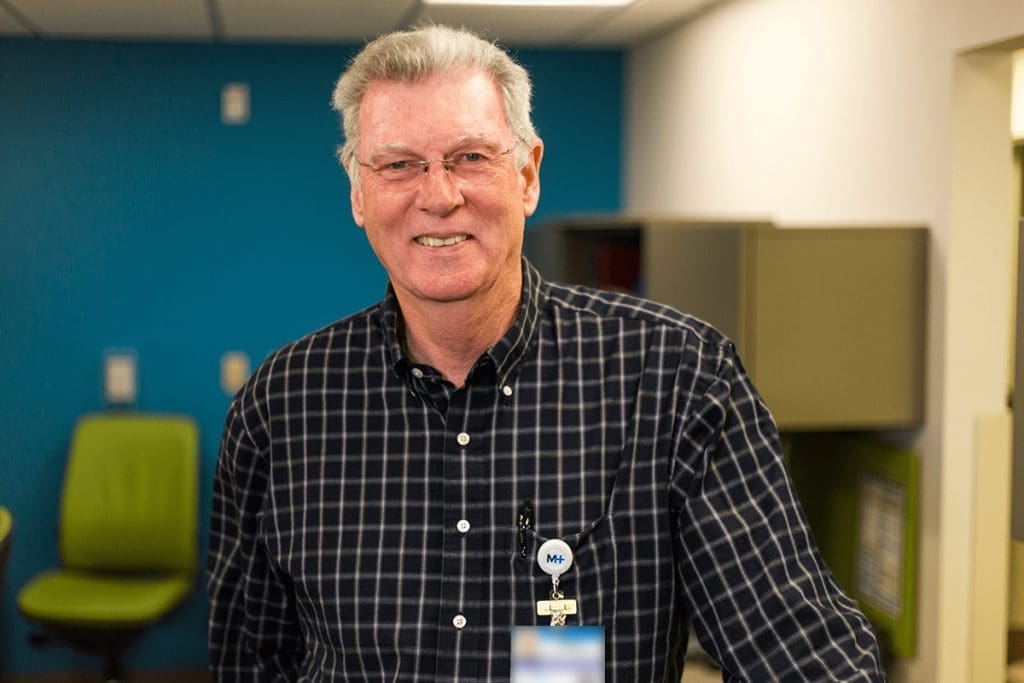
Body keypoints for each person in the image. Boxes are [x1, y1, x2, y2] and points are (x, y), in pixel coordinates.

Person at [207, 24, 885, 682]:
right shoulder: (281, 407)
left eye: (471, 156)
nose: (439, 196)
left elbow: (798, 652)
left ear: (528, 175)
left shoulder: (677, 380)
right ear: (359, 191)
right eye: (399, 165)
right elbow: (251, 662)